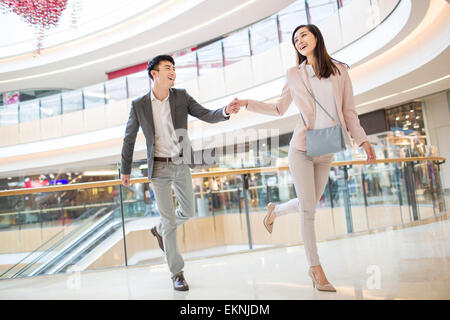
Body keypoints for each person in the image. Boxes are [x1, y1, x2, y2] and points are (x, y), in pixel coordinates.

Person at [230, 24, 376, 292]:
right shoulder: (294, 74)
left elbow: (349, 111)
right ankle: (315, 269)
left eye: (304, 35)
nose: (299, 41)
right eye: (295, 39)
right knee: (308, 210)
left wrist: (363, 140)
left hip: (328, 146)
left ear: (316, 37)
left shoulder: (340, 70)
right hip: (301, 148)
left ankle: (274, 211)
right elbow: (278, 108)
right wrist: (248, 102)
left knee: (309, 203)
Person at [120, 55, 239, 291]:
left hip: (181, 163)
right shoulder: (139, 105)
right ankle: (177, 273)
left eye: (173, 68)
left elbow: (206, 114)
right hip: (159, 169)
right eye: (167, 68)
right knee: (170, 221)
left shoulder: (181, 97)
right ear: (154, 73)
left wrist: (225, 110)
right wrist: (125, 170)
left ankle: (159, 230)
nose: (172, 71)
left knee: (188, 211)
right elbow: (129, 138)